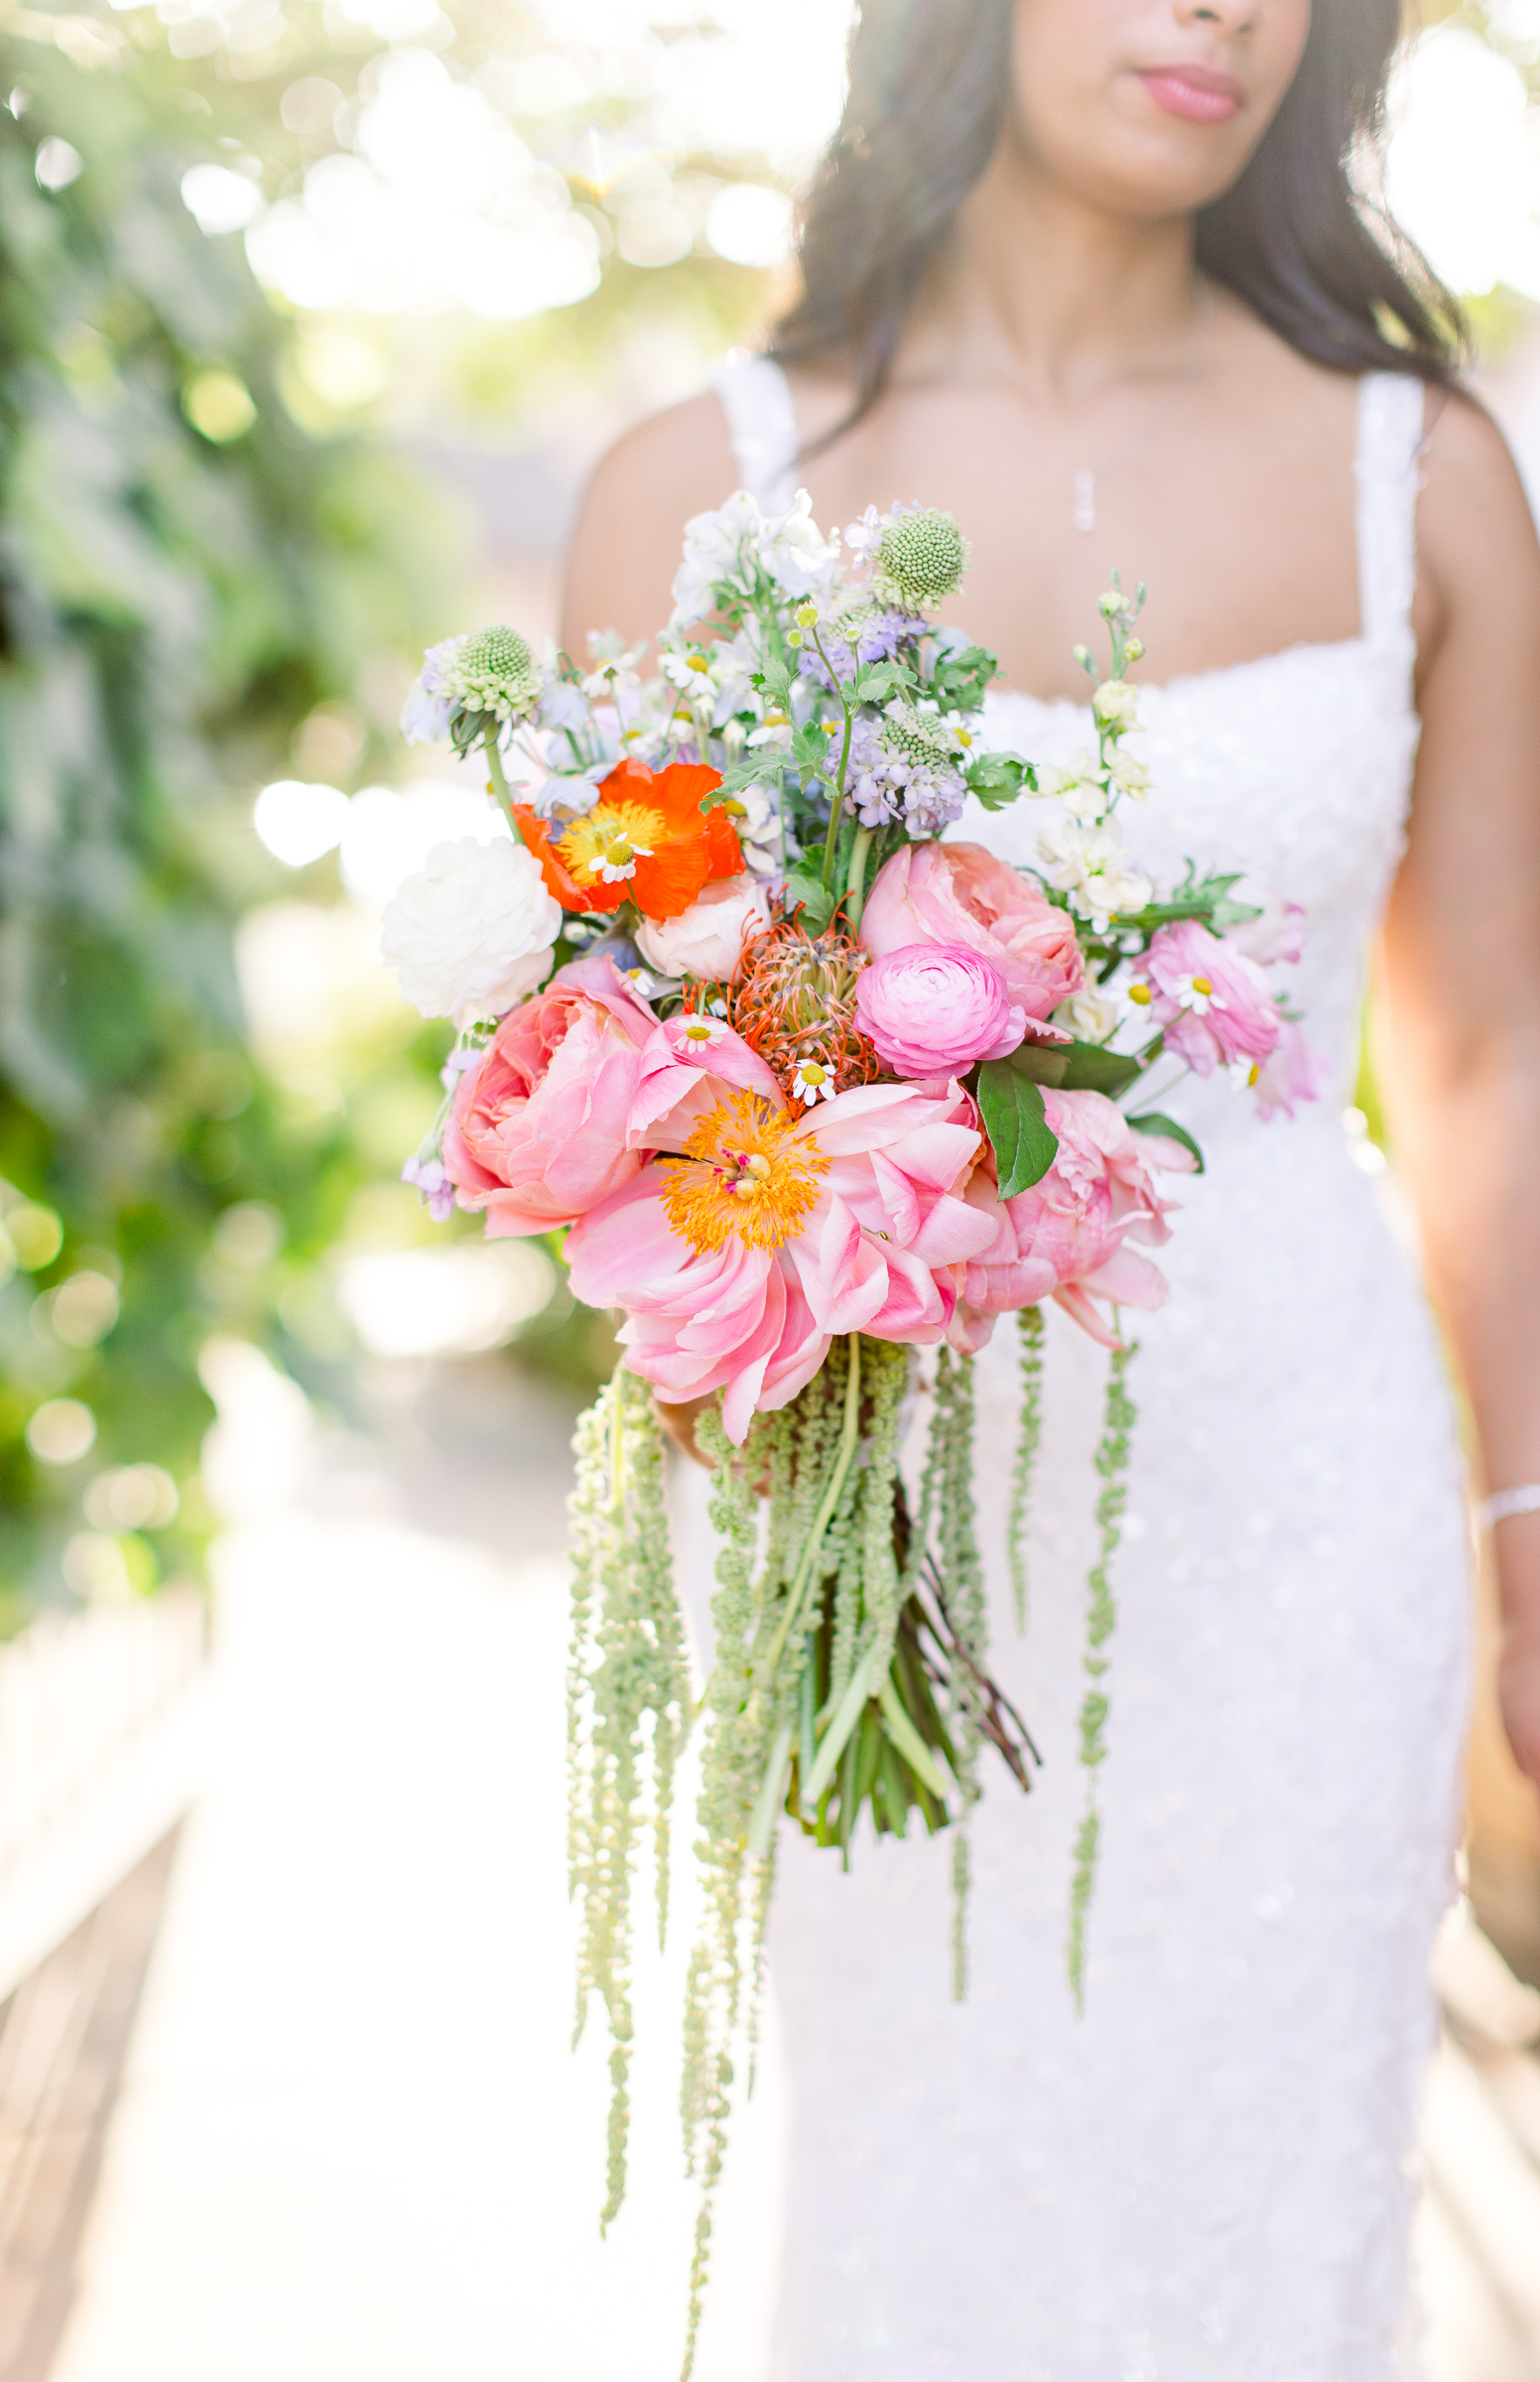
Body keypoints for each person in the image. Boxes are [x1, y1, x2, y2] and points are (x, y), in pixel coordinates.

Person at [562, 2, 1540, 2373]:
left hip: (1309, 1518)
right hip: (874, 1533)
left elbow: (1492, 1053)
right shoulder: (695, 485)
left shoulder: (1431, 475)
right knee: (921, 2214)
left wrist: (1533, 1518)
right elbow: (616, 1081)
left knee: (1275, 2216)